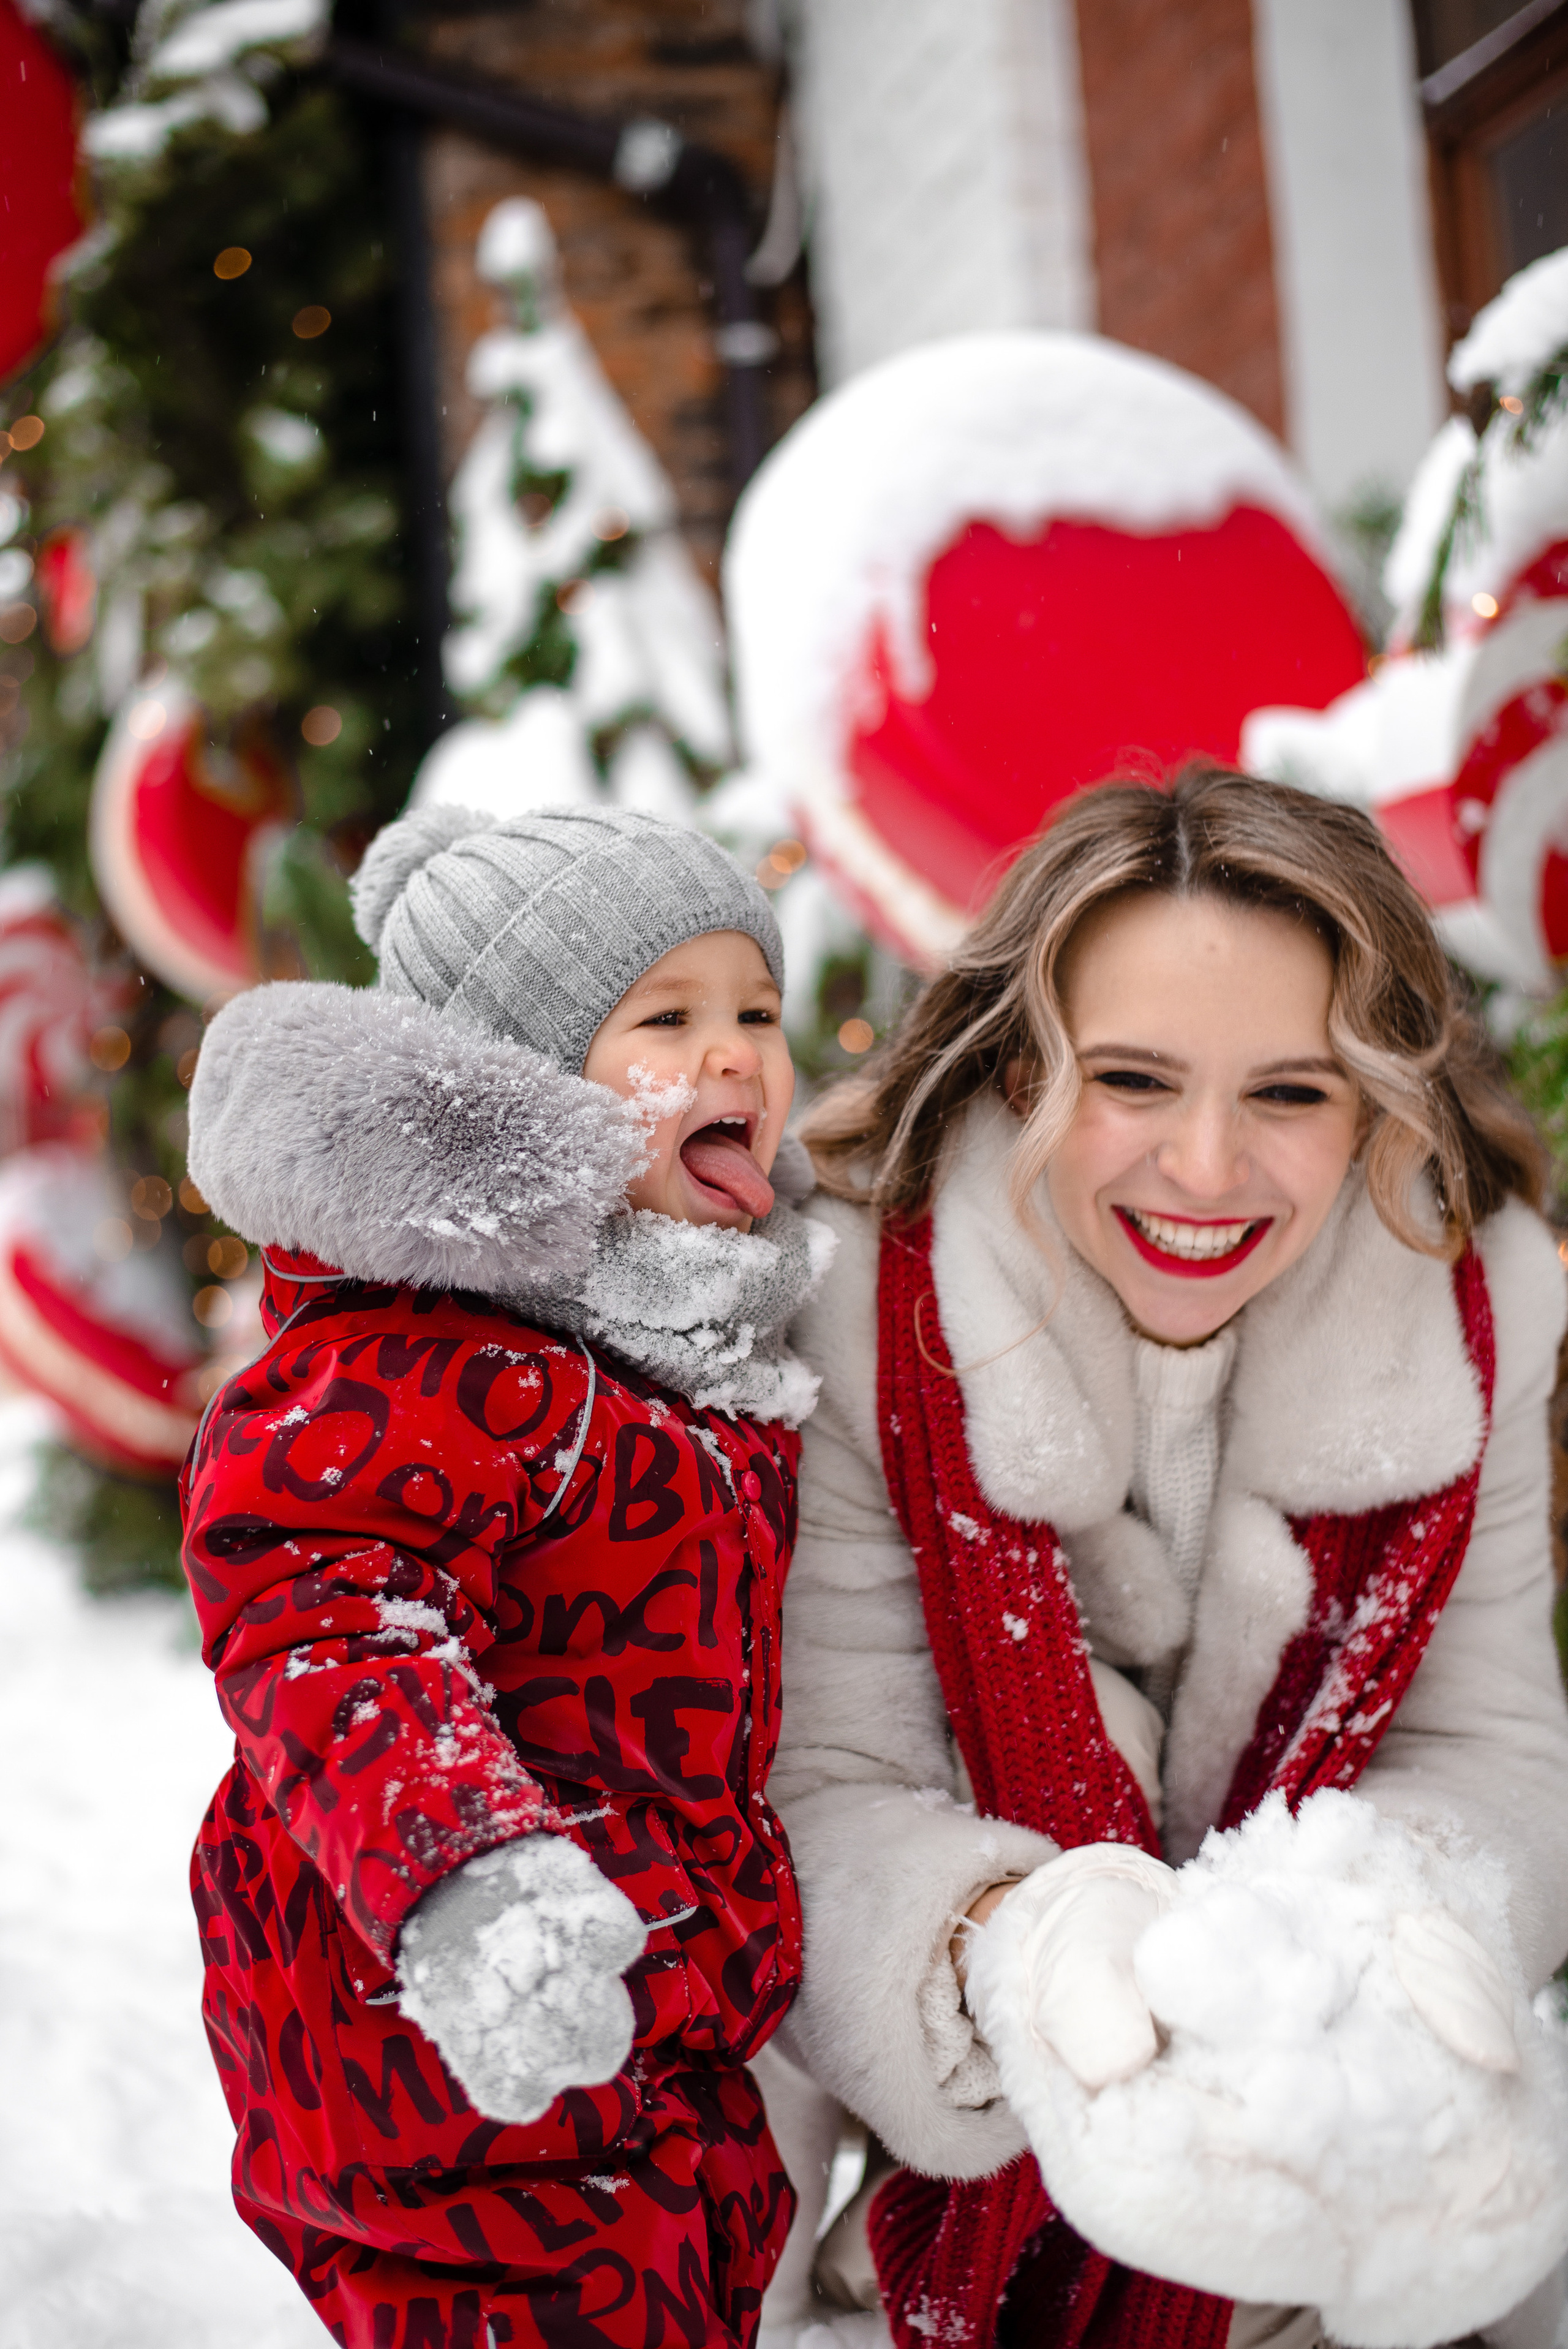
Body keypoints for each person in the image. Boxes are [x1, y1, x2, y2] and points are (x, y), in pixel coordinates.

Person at [763, 766, 1568, 2349]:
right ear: (1021, 1063)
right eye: (1132, 1080)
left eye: (1291, 1093)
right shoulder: (862, 1309)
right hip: (945, 2193)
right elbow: (818, 1789)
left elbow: (1489, 1736)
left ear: (1382, 1099)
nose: (1207, 1169)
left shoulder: (1478, 1310)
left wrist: (1404, 1920)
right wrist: (1005, 1949)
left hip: (1346, 2139)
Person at [180, 804, 835, 2349]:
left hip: (652, 2015)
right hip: (425, 2031)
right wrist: (469, 1881)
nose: (736, 1052)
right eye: (666, 1020)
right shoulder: (429, 1356)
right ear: (520, 1087)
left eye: (756, 1010)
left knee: (697, 2264)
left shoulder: (683, 1341)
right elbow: (326, 1614)